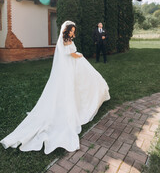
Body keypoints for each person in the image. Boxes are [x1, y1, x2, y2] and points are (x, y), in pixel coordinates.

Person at [0, 20, 110, 154]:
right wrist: (80, 55)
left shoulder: (65, 39)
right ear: (67, 30)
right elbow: (71, 54)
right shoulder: (66, 41)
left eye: (73, 31)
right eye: (71, 30)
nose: (73, 32)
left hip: (71, 65)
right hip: (72, 64)